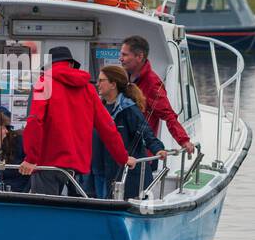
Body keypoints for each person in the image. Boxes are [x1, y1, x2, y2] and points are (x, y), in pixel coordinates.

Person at [20, 46, 134, 196]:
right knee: (78, 210)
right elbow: (108, 127)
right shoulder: (88, 89)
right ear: (72, 65)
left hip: (47, 165)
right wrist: (123, 157)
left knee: (45, 214)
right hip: (78, 167)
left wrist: (31, 158)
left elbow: (35, 121)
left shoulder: (43, 83)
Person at [89, 64, 166, 199]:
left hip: (123, 174)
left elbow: (145, 132)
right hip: (99, 171)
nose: (97, 84)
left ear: (113, 84)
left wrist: (158, 149)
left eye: (101, 81)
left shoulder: (128, 109)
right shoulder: (99, 108)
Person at [118, 35, 196, 155]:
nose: (120, 58)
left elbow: (168, 115)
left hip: (139, 152)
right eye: (121, 54)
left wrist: (184, 141)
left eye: (124, 55)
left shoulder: (152, 83)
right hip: (120, 148)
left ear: (139, 57)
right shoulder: (122, 78)